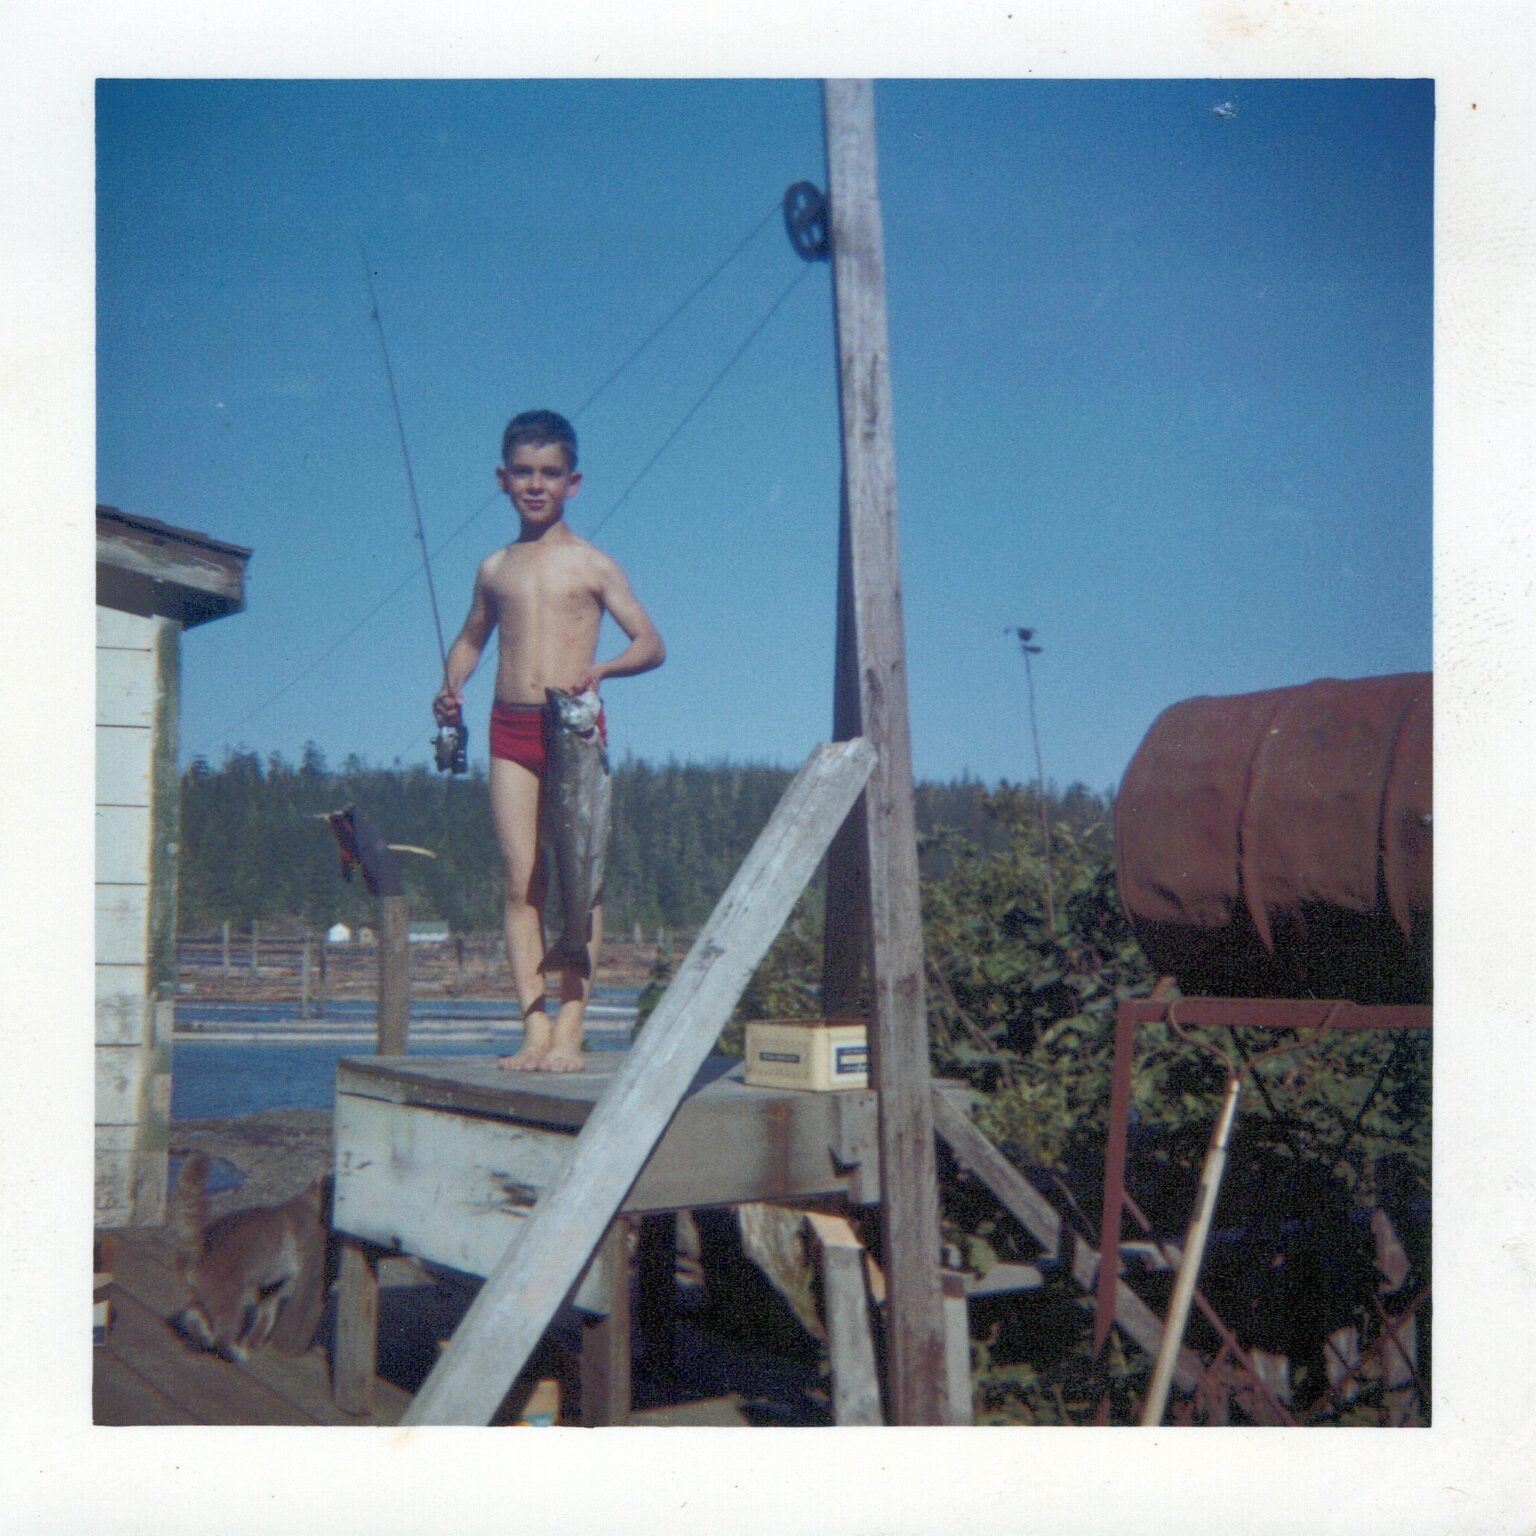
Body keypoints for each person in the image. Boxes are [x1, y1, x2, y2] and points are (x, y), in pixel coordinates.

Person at [433, 410, 665, 1072]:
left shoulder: (593, 565)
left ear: (574, 481)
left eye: (550, 474)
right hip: (509, 727)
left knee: (579, 885)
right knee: (520, 884)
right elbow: (472, 638)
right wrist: (452, 685)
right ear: (503, 480)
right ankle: (531, 1026)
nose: (537, 485)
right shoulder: (494, 567)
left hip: (573, 730)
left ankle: (571, 1027)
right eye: (524, 473)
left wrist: (605, 669)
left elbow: (651, 643)